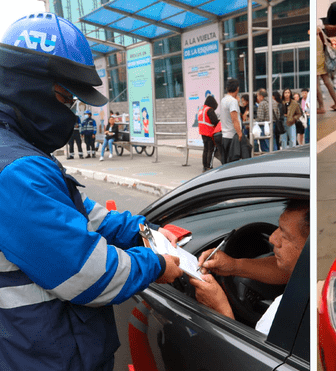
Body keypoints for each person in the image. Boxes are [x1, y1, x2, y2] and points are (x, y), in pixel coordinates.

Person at [0, 13, 184, 371]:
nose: (70, 112)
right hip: (44, 358)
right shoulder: (16, 171)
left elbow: (86, 214)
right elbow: (89, 275)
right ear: (28, 84)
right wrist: (158, 263)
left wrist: (144, 231)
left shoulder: (20, 154)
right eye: (65, 98)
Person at [190, 200, 310, 334]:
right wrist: (233, 265)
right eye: (278, 227)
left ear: (308, 248)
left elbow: (251, 355)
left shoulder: (286, 312)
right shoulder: (305, 272)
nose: (273, 239)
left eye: (285, 235)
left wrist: (219, 310)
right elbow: (288, 270)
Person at [220, 78, 248, 163]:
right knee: (234, 163)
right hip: (233, 137)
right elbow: (234, 119)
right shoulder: (232, 101)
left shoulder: (223, 99)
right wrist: (240, 134)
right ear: (237, 88)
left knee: (227, 163)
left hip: (225, 135)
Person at [317, 26, 336, 113]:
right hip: (323, 59)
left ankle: (321, 107)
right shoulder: (319, 30)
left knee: (316, 84)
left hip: (315, 59)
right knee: (328, 82)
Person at [197, 95, 220, 171]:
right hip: (209, 132)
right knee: (211, 150)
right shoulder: (209, 110)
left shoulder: (201, 109)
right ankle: (209, 167)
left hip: (203, 133)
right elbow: (214, 121)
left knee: (206, 149)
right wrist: (219, 121)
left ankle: (205, 166)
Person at [254, 88, 270, 153]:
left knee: (264, 145)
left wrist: (254, 120)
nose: (257, 98)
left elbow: (260, 117)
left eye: (257, 96)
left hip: (264, 126)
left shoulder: (262, 103)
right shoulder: (272, 101)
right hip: (271, 125)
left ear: (261, 96)